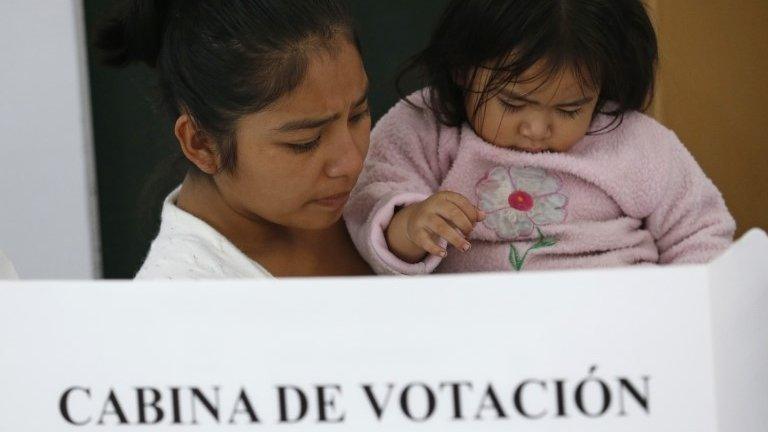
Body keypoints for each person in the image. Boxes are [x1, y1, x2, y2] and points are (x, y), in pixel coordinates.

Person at [345, 0, 735, 274]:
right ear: (463, 69)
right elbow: (371, 199)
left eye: (569, 110)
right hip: (477, 334)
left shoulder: (635, 141)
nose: (536, 129)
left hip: (620, 326)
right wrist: (410, 228)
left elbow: (701, 233)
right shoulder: (424, 125)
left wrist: (684, 313)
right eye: (513, 104)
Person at [97, 0, 373, 278]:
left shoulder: (390, 177)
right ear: (202, 144)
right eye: (305, 141)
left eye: (357, 115)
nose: (353, 163)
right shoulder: (180, 301)